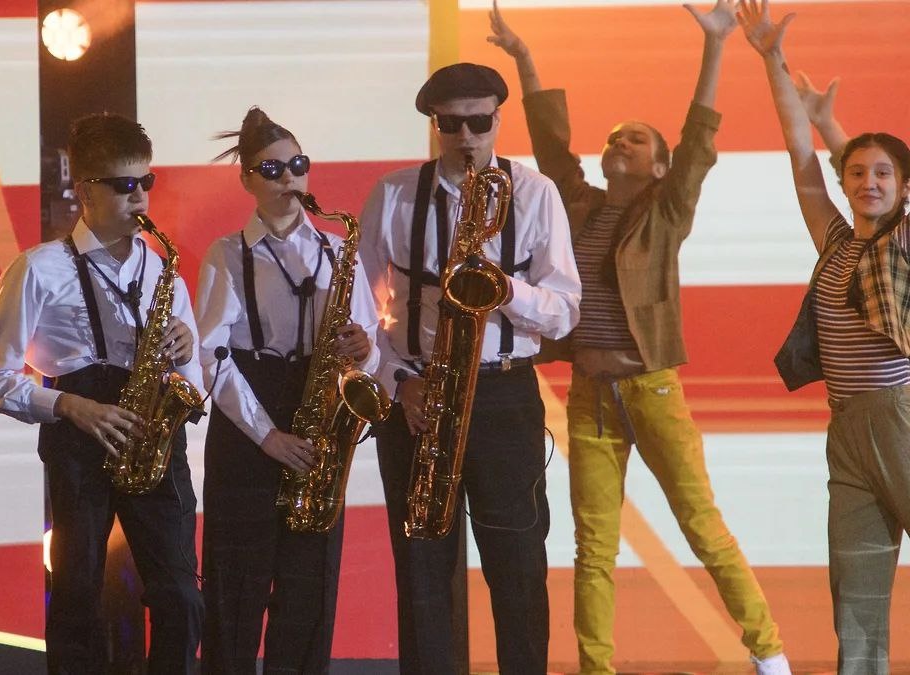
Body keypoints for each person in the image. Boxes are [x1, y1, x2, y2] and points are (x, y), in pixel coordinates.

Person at [488, 1, 791, 672]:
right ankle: (597, 668)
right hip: (590, 398)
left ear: (659, 167)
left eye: (636, 140)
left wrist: (716, 45)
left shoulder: (667, 210)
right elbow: (552, 143)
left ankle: (769, 652)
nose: (619, 144)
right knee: (593, 548)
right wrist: (525, 58)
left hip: (651, 389)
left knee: (702, 528)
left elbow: (699, 138)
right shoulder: (578, 206)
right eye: (614, 138)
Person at [358, 63, 581, 673]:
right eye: (450, 124)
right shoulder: (394, 193)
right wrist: (397, 382)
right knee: (422, 573)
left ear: (498, 121)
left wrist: (502, 288)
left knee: (518, 567)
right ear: (435, 126)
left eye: (478, 123)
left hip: (504, 395)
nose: (465, 137)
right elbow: (358, 312)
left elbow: (564, 312)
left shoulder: (535, 192)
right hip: (418, 396)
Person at [0, 113, 204, 674]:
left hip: (153, 437)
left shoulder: (162, 269)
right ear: (85, 191)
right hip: (77, 440)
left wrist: (185, 350)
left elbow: (195, 385)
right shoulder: (38, 268)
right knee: (77, 598)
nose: (140, 196)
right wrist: (69, 405)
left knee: (182, 597)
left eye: (146, 181)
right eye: (124, 185)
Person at [740, 2, 910, 671]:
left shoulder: (903, 240)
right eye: (857, 173)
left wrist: (835, 127)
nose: (868, 183)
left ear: (904, 188)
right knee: (855, 596)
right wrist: (772, 60)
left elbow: (857, 163)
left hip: (900, 419)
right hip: (846, 428)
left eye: (884, 174)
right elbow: (799, 153)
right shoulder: (836, 245)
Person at [194, 107, 382, 674]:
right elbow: (210, 356)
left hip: (317, 418)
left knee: (309, 594)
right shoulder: (227, 253)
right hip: (249, 425)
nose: (289, 179)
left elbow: (370, 346)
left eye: (297, 165)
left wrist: (363, 349)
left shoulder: (338, 251)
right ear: (247, 180)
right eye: (272, 169)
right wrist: (266, 435)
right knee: (234, 593)